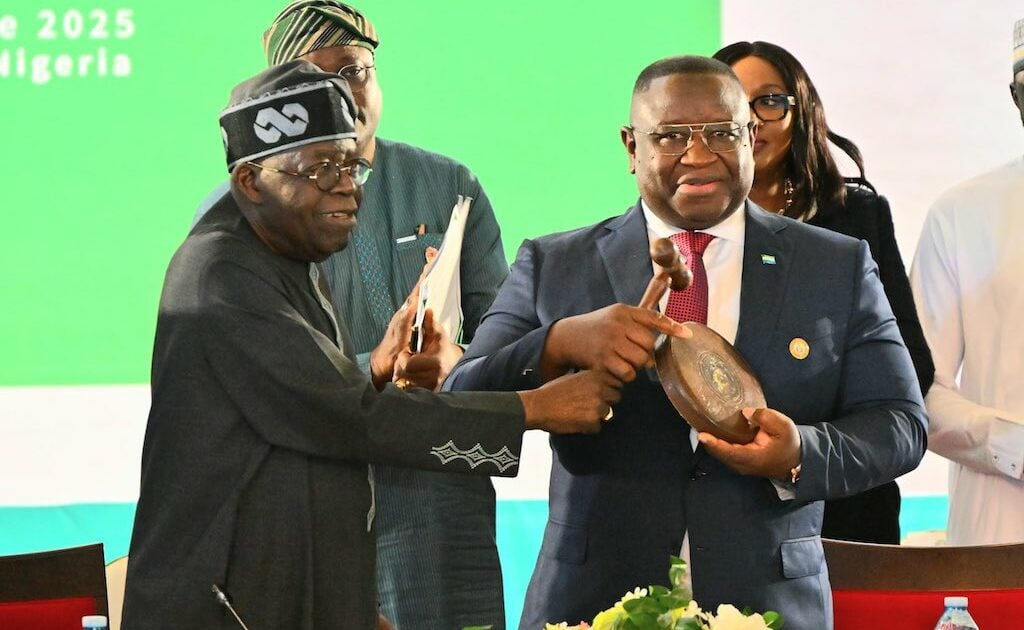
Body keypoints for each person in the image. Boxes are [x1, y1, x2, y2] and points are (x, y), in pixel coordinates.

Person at [123, 61, 625, 629]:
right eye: (319, 170)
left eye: (351, 165)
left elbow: (297, 425)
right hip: (226, 604)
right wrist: (535, 407)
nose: (345, 186)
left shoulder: (282, 253)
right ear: (250, 182)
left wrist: (351, 610)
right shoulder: (220, 274)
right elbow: (345, 419)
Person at [447, 55, 927, 629]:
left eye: (722, 133)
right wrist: (558, 344)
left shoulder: (835, 265)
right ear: (632, 147)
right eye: (670, 136)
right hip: (589, 603)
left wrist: (799, 452)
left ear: (750, 136)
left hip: (770, 604)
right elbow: (458, 402)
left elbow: (901, 424)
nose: (699, 156)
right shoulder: (555, 264)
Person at [194, 2, 514, 626]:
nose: (344, 94)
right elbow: (268, 381)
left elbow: (505, 338)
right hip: (318, 499)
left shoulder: (447, 183)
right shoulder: (242, 219)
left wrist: (462, 361)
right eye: (315, 84)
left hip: (440, 495)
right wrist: (375, 365)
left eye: (356, 70)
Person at [712, 41, 934, 544]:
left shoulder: (855, 217)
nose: (751, 120)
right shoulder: (682, 223)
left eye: (769, 101)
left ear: (802, 109)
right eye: (731, 102)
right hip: (718, 495)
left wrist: (802, 445)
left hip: (842, 497)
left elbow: (913, 367)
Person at [909, 18, 1024, 546]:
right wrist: (1014, 446)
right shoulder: (962, 214)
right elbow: (916, 389)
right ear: (1015, 96)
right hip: (1001, 532)